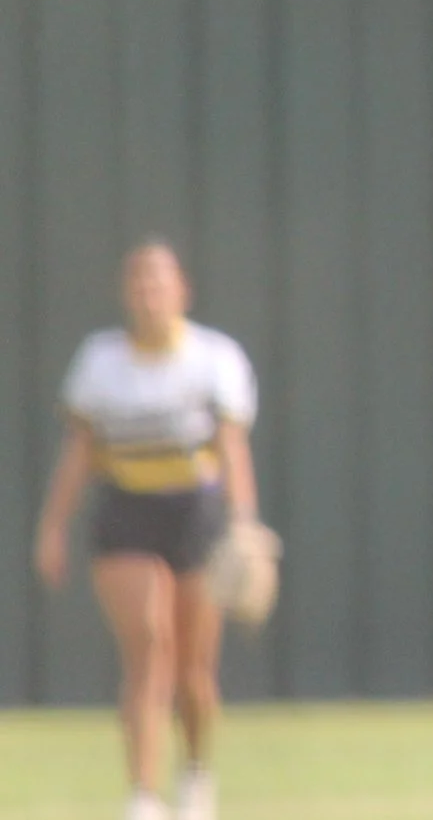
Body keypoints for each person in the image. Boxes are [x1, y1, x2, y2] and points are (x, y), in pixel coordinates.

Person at [32, 241, 261, 820]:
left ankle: (197, 773)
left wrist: (244, 525)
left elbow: (231, 449)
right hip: (127, 510)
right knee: (148, 644)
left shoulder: (214, 358)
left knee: (193, 671)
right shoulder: (101, 361)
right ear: (125, 293)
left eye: (160, 281)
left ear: (182, 290)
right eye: (139, 281)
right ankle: (143, 796)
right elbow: (80, 451)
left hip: (196, 513)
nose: (149, 292)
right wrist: (53, 527)